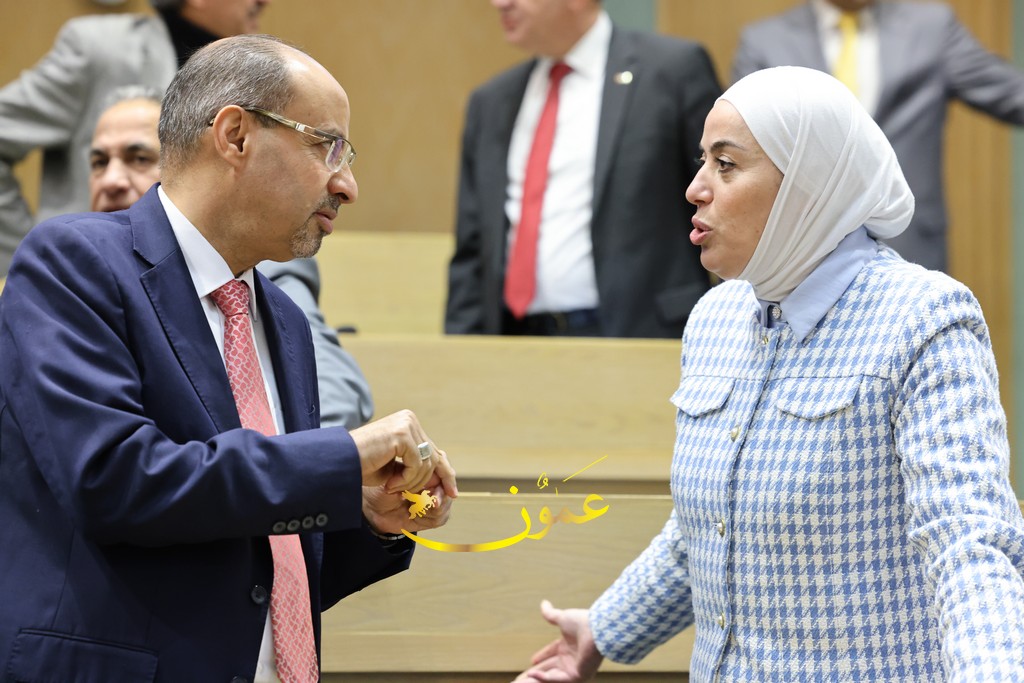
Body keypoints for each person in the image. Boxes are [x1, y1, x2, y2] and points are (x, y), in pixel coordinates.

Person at [513, 66, 1024, 681]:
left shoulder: (923, 319)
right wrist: (605, 627)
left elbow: (968, 541)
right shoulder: (716, 316)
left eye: (726, 165)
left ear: (808, 182)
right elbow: (708, 529)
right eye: (703, 162)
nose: (695, 188)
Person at [0, 35, 457, 681]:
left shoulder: (285, 321)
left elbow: (258, 577)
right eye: (327, 146)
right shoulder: (73, 262)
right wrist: (341, 456)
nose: (347, 185)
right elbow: (112, 480)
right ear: (236, 135)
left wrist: (370, 521)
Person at [88, 86, 374, 429]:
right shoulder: (68, 262)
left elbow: (336, 390)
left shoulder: (266, 287)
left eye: (140, 159)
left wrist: (320, 461)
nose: (112, 181)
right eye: (99, 163)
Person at [445, 0, 720, 339]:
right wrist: (462, 348)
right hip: (512, 339)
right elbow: (472, 251)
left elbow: (726, 205)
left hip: (638, 336)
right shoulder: (491, 101)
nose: (500, 3)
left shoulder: (672, 71)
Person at [731, 0, 1024, 273]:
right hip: (799, 250)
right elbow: (738, 144)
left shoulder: (931, 28)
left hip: (909, 244)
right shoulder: (765, 42)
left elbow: (1011, 94)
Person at [0, 0, 271, 277]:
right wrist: (32, 256)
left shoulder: (251, 80)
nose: (265, 1)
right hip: (83, 278)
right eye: (100, 162)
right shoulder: (102, 48)